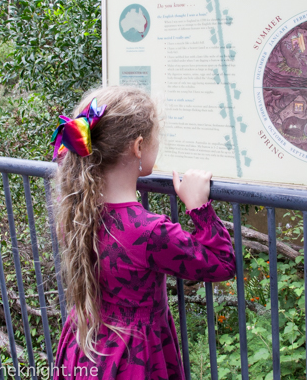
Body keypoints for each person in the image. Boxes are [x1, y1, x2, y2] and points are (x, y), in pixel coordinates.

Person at [51, 86, 235, 380]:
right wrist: (198, 207)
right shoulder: (149, 231)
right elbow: (223, 264)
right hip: (132, 359)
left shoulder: (76, 209)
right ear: (138, 147)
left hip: (85, 344)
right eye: (155, 139)